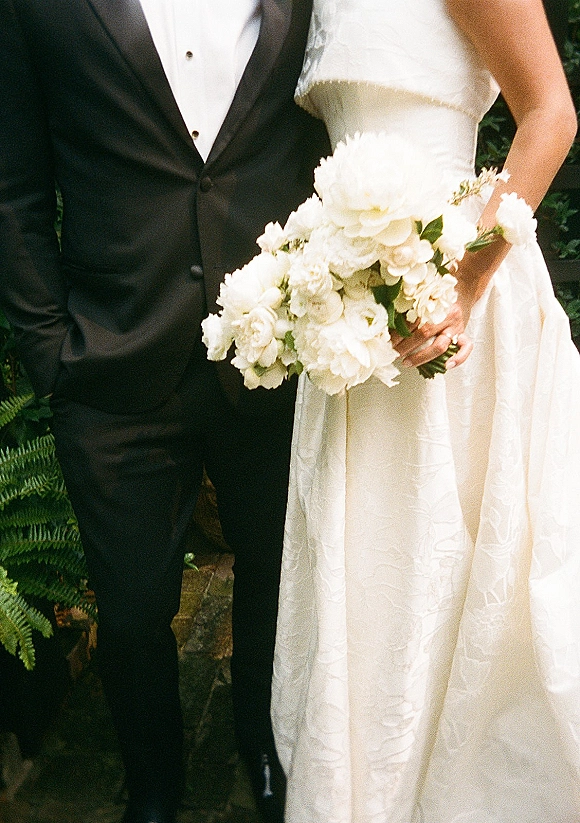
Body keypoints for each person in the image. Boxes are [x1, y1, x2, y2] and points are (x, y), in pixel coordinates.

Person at [0, 2, 328, 822]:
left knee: (275, 577)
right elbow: (13, 189)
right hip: (111, 357)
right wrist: (51, 348)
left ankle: (261, 746)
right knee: (134, 601)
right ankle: (153, 778)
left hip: (273, 352)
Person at [271, 1, 580, 821]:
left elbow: (551, 114)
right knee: (374, 554)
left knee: (450, 556)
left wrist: (465, 281)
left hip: (453, 295)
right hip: (350, 310)